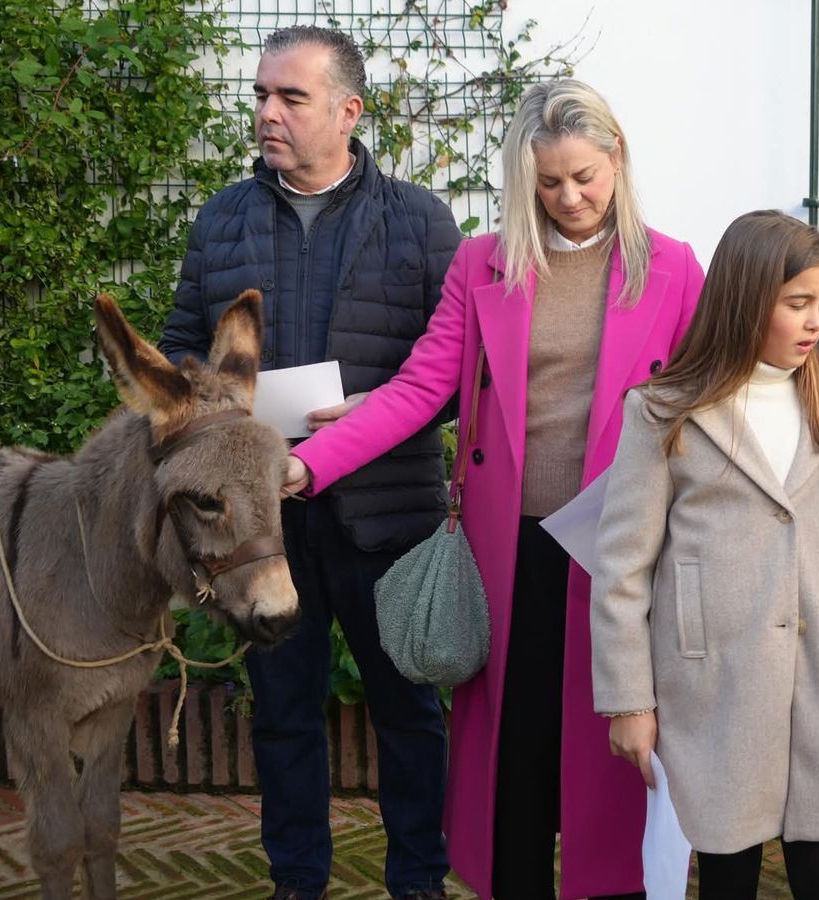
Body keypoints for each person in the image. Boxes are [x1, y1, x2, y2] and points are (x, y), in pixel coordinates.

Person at [281, 80, 703, 898]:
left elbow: (707, 404)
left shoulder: (676, 269)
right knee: (512, 755)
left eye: (585, 176)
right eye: (548, 182)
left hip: (617, 553)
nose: (569, 198)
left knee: (609, 749)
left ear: (617, 160)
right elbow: (418, 389)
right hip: (508, 550)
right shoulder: (486, 264)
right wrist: (311, 463)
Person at [160, 26, 460, 900]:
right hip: (262, 528)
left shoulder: (418, 220)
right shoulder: (222, 220)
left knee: (408, 712)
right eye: (260, 96)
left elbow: (457, 370)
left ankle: (418, 880)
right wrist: (213, 399)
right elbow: (183, 348)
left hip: (387, 512)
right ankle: (298, 882)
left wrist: (387, 407)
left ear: (347, 110)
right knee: (283, 713)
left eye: (289, 97)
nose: (267, 113)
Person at [590, 210, 819, 899]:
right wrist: (630, 700)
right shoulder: (664, 413)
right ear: (748, 299)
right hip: (712, 683)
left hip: (814, 672)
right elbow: (623, 566)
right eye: (796, 304)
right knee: (728, 866)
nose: (815, 322)